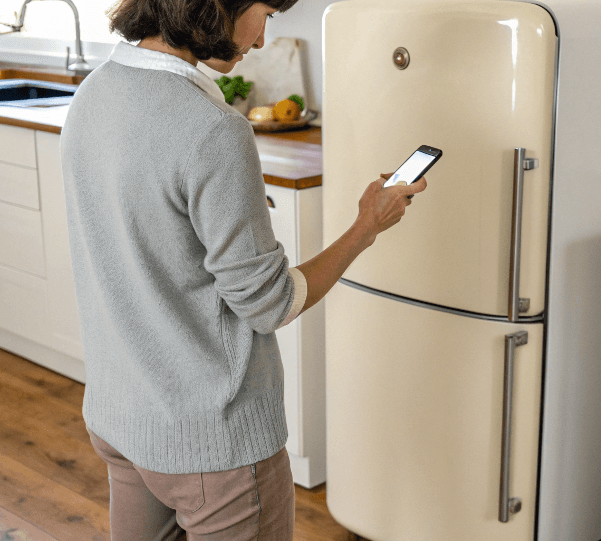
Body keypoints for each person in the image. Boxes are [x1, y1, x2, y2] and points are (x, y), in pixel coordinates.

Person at [60, 0, 427, 539]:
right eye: (267, 15)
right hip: (212, 445)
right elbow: (270, 302)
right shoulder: (212, 130)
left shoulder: (96, 90)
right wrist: (364, 228)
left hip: (122, 422)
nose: (259, 41)